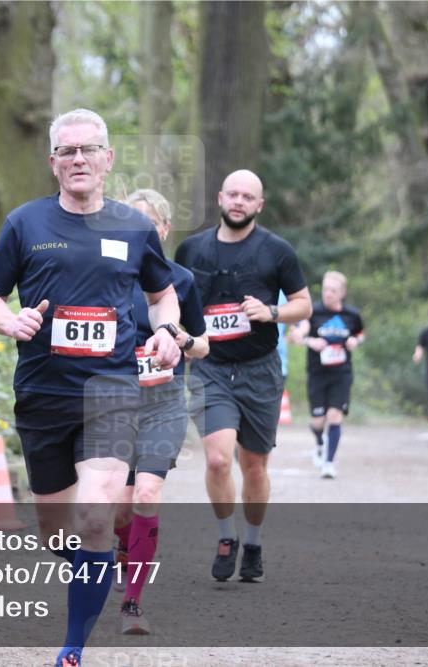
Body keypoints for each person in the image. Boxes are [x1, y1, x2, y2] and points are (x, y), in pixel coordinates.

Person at [0, 109, 182, 667]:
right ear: (53, 163)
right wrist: (9, 322)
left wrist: (166, 329)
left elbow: (163, 295)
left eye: (89, 150)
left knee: (95, 516)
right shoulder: (25, 224)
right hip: (43, 395)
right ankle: (94, 565)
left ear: (108, 159)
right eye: (67, 152)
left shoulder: (133, 228)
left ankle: (72, 650)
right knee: (55, 531)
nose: (79, 159)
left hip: (111, 390)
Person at [174, 169, 311, 583]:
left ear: (259, 205)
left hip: (260, 370)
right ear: (220, 198)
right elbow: (172, 303)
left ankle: (253, 542)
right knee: (217, 459)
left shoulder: (277, 251)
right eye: (232, 194)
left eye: (247, 197)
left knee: (254, 467)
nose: (238, 201)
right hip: (210, 368)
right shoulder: (191, 250)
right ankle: (225, 537)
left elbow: (304, 305)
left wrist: (271, 312)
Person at [112, 189, 209, 635]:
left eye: (148, 223)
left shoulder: (181, 280)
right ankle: (121, 549)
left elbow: (204, 345)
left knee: (147, 494)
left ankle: (133, 602)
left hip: (162, 404)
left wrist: (183, 342)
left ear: (164, 230)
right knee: (120, 509)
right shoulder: (104, 274)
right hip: (110, 404)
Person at [289, 271, 364, 479]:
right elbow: (298, 332)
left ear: (342, 293)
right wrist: (307, 340)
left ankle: (329, 463)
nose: (328, 294)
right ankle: (320, 442)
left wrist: (355, 342)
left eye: (333, 290)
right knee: (318, 421)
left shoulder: (351, 315)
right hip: (317, 374)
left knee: (334, 416)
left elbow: (360, 333)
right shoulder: (313, 313)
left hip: (342, 374)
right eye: (325, 289)